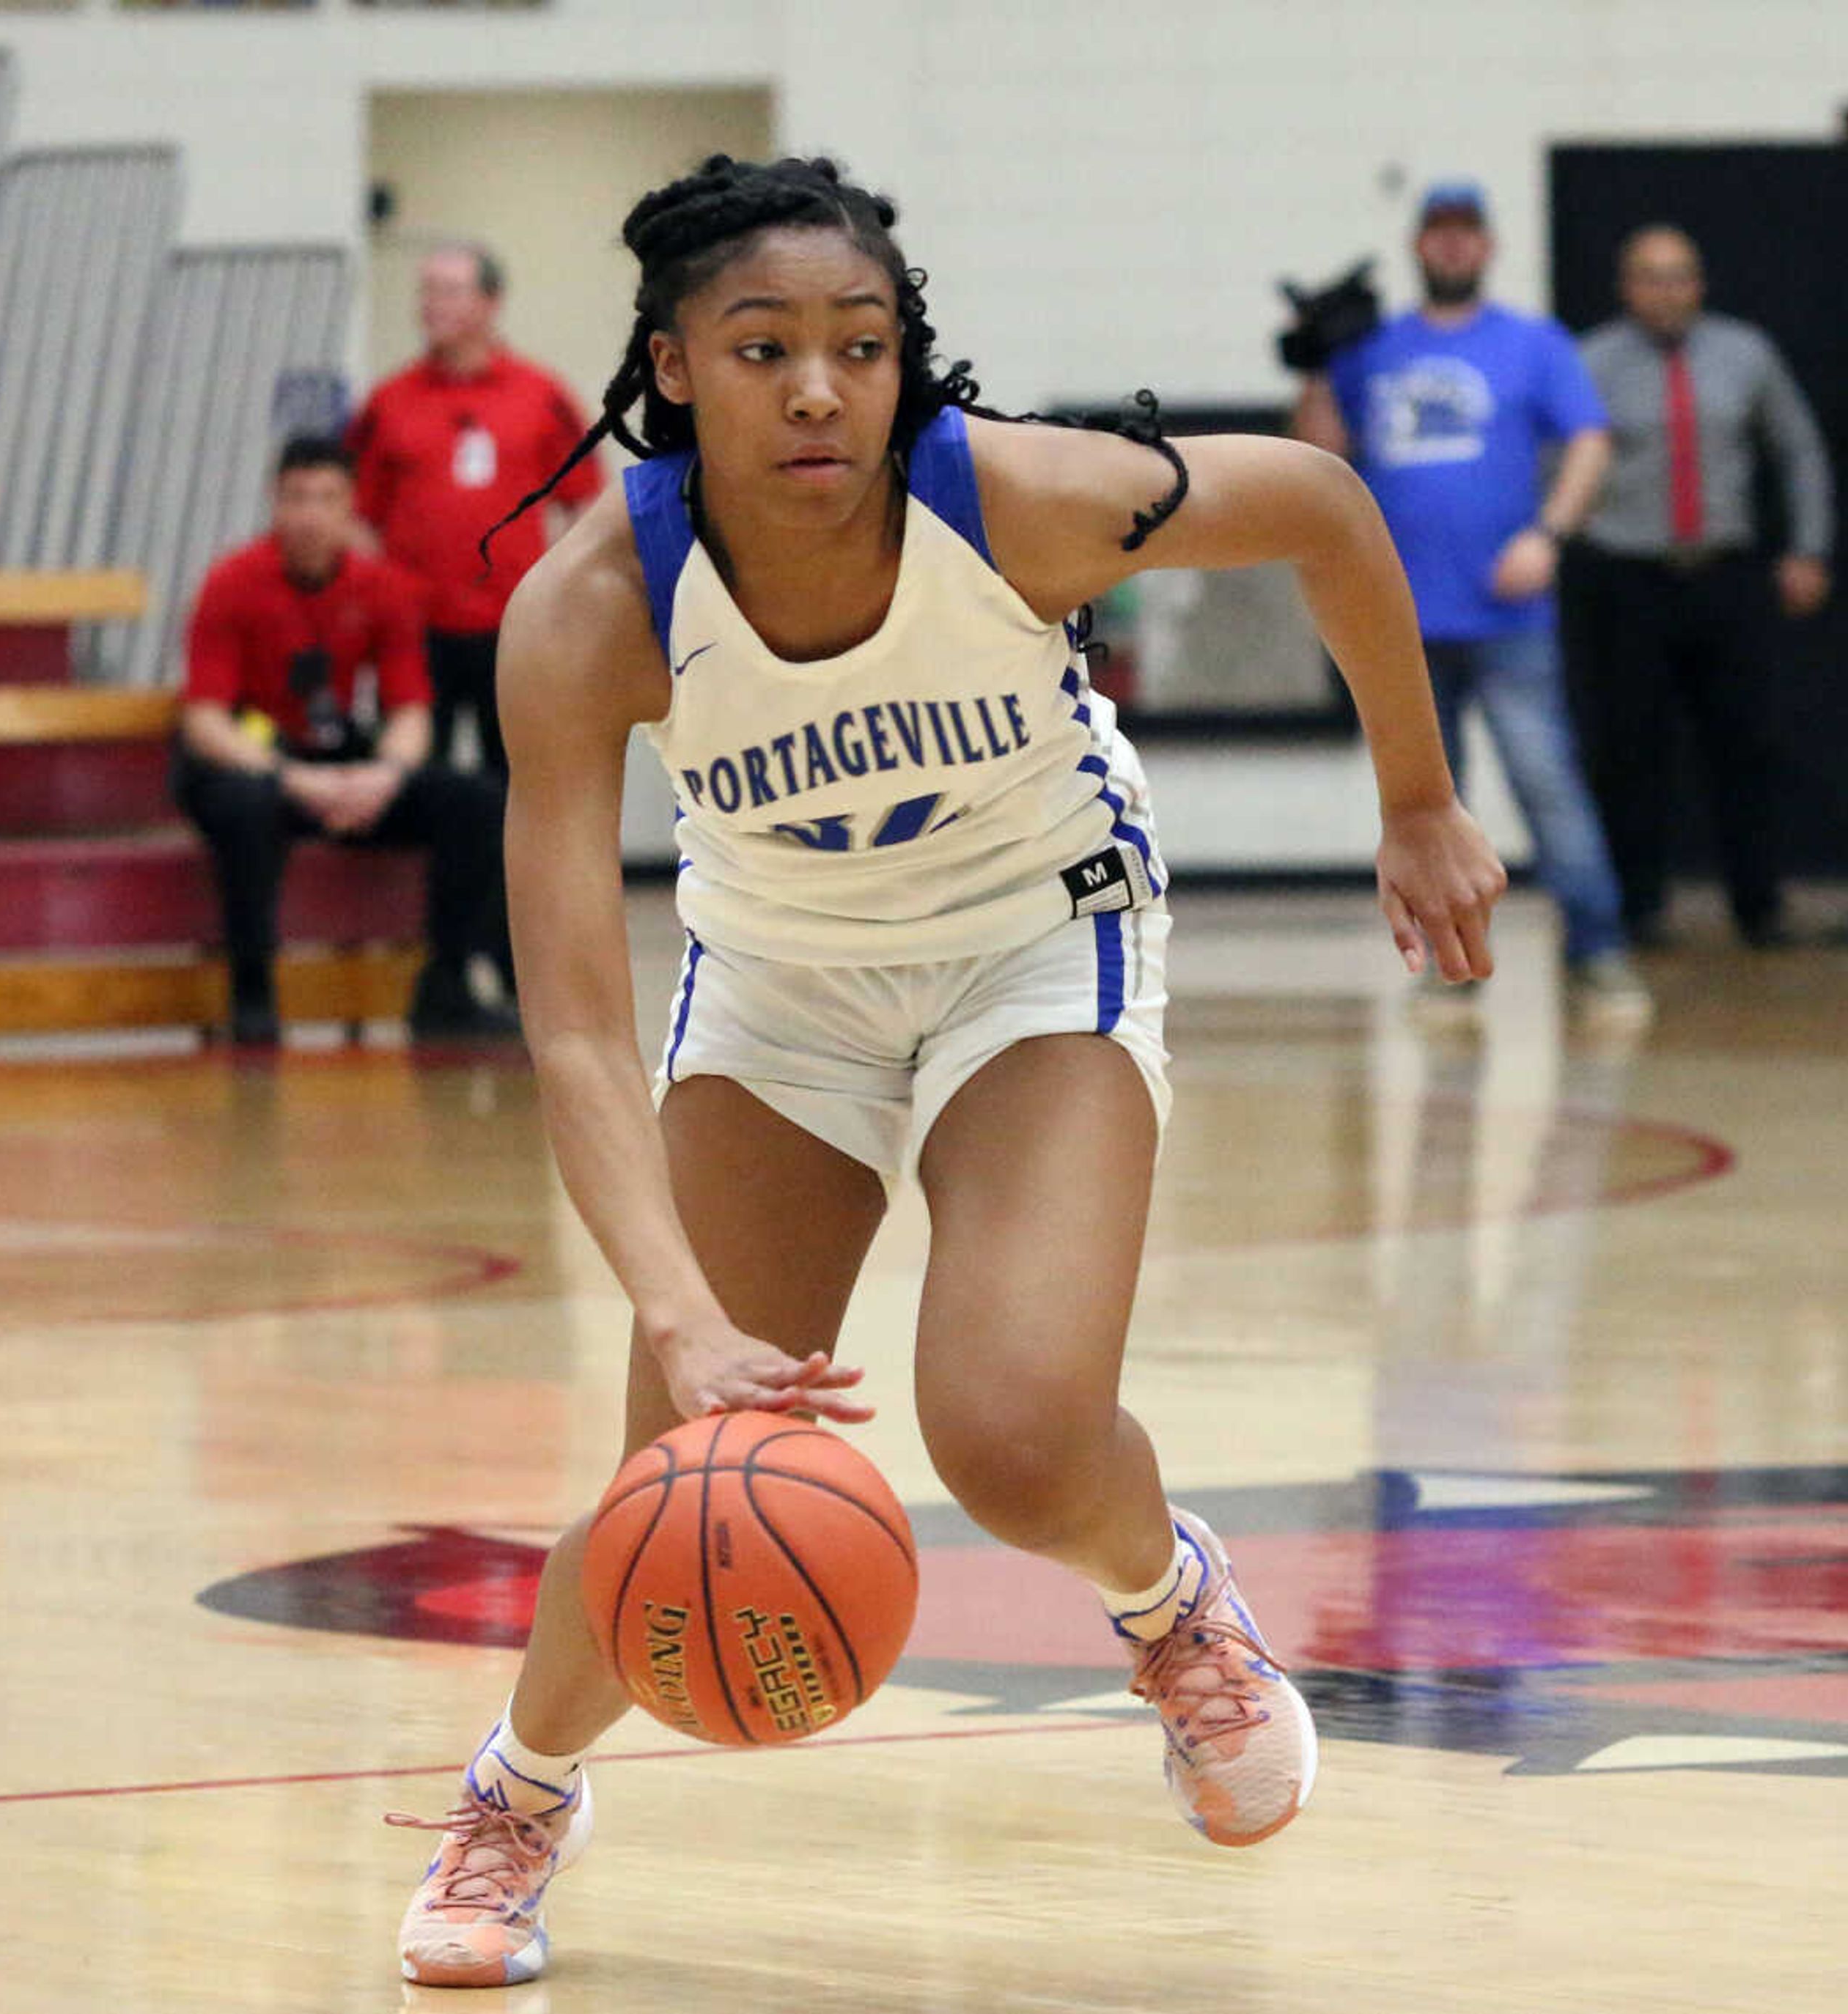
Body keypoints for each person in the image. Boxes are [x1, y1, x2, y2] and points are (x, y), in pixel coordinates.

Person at [387, 156, 1505, 1988]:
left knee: (1009, 1431)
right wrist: (674, 1306)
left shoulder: (1014, 503)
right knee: (670, 1460)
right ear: (671, 368)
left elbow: (1315, 499)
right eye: (762, 350)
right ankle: (519, 1793)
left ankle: (1171, 1610)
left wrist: (1416, 797)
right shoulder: (591, 610)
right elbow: (579, 1019)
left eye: (860, 344)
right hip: (779, 989)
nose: (818, 387)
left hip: (1033, 936)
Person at [1288, 180, 1649, 1025]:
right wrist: (1313, 364)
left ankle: (1599, 957)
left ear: (1487, 247)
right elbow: (1315, 462)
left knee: (1548, 788)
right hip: (1399, 624)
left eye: (1466, 234)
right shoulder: (1372, 349)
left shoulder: (1533, 344)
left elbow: (1590, 442)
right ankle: (1446, 971)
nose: (1452, 247)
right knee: (1422, 811)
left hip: (1510, 621)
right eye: (1438, 233)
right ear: (1419, 246)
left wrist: (1549, 535)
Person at [172, 435, 518, 1047]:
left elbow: (411, 713)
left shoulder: (382, 588)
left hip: (338, 756)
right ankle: (253, 997)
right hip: (251, 763)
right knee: (246, 808)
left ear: (350, 508)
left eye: (326, 498)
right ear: (274, 505)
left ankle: (448, 985)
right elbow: (205, 720)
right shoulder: (232, 583)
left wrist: (384, 775)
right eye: (296, 498)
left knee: (478, 800)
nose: (310, 514)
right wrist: (290, 778)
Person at [1567, 223, 1837, 946]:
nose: (1667, 290)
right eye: (1650, 276)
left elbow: (1798, 450)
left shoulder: (1745, 353)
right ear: (1627, 286)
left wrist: (1807, 548)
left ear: (1701, 281)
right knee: (1630, 752)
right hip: (1629, 579)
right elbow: (1558, 460)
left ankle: (1759, 906)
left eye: (1680, 274)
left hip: (1727, 577)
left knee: (1744, 746)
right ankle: (1638, 909)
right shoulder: (1590, 362)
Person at [346, 240, 604, 777]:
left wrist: (553, 591)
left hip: (513, 629)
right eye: (426, 291)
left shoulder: (541, 394)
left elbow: (586, 504)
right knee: (416, 783)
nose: (431, 305)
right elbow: (353, 516)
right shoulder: (388, 401)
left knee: (520, 780)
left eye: (449, 291)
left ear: (490, 303)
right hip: (417, 633)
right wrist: (386, 594)